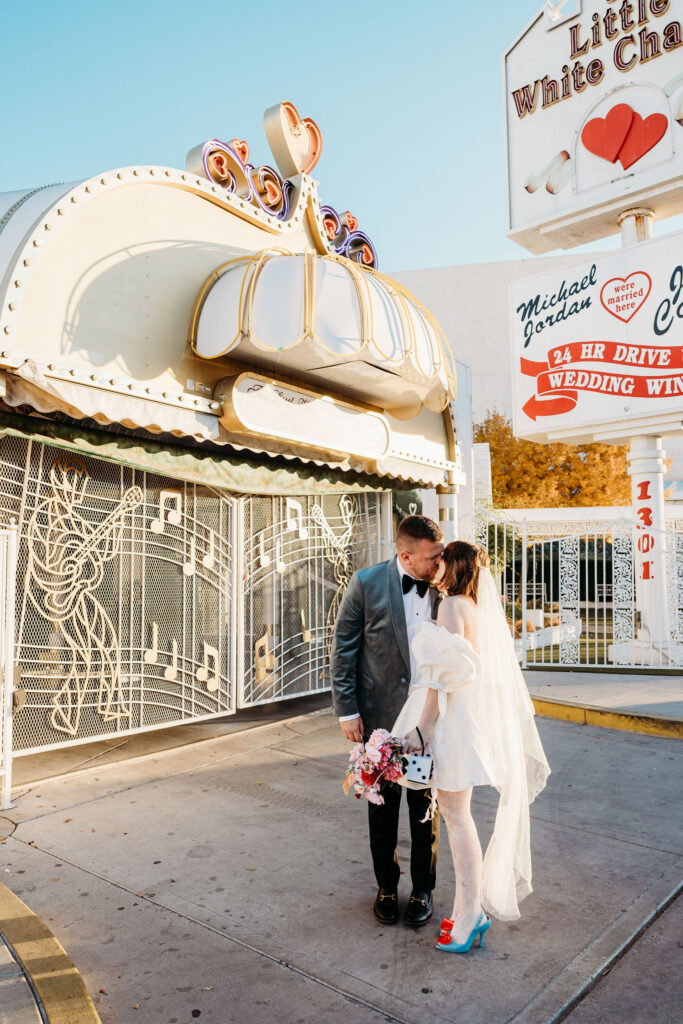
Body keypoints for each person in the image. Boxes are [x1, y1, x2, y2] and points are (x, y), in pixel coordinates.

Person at [394, 541, 550, 953]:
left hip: (452, 721)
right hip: (469, 719)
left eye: (441, 558)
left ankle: (470, 916)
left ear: (455, 564)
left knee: (457, 818)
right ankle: (466, 910)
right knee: (456, 815)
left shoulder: (451, 606)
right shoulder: (477, 607)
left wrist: (423, 729)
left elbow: (441, 677)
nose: (436, 564)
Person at [330, 515, 444, 926]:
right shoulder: (366, 583)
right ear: (405, 555)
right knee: (382, 809)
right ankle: (386, 887)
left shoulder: (444, 586)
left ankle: (424, 890)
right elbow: (344, 650)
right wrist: (348, 710)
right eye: (432, 557)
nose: (438, 563)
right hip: (377, 718)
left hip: (427, 719)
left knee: (425, 808)